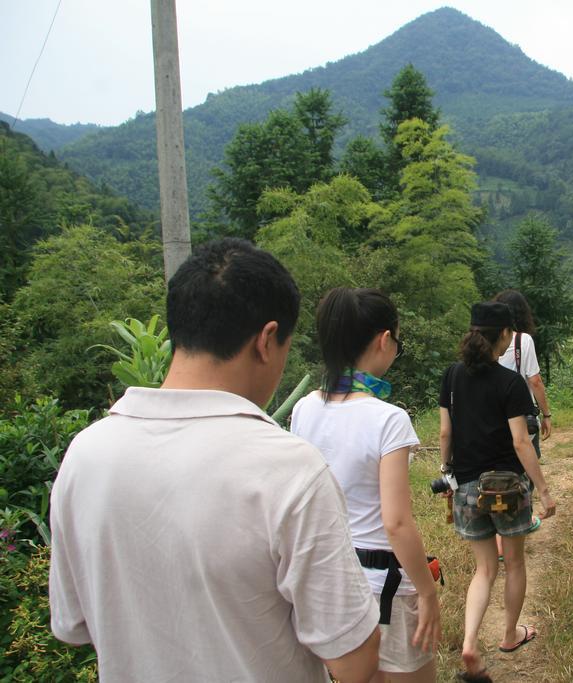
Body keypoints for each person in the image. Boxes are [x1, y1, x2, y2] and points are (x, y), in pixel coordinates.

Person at [49, 239, 380, 682]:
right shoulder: (288, 469)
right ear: (266, 341)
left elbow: (74, 628)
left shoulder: (85, 455)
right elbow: (353, 662)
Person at [290, 288, 441, 682]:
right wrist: (427, 592)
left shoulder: (304, 409)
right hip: (385, 584)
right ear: (384, 340)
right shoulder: (388, 419)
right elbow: (396, 523)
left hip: (331, 580)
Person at [439, 302, 557, 683]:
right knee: (516, 564)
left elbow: (445, 433)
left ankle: (471, 641)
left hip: (468, 488)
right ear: (505, 335)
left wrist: (447, 475)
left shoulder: (452, 376)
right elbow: (522, 443)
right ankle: (509, 635)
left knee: (485, 569)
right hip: (506, 487)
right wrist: (544, 491)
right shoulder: (510, 383)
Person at [494, 290, 553, 450]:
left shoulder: (486, 339)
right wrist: (546, 414)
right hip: (519, 413)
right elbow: (535, 381)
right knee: (526, 463)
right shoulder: (523, 340)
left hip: (491, 413)